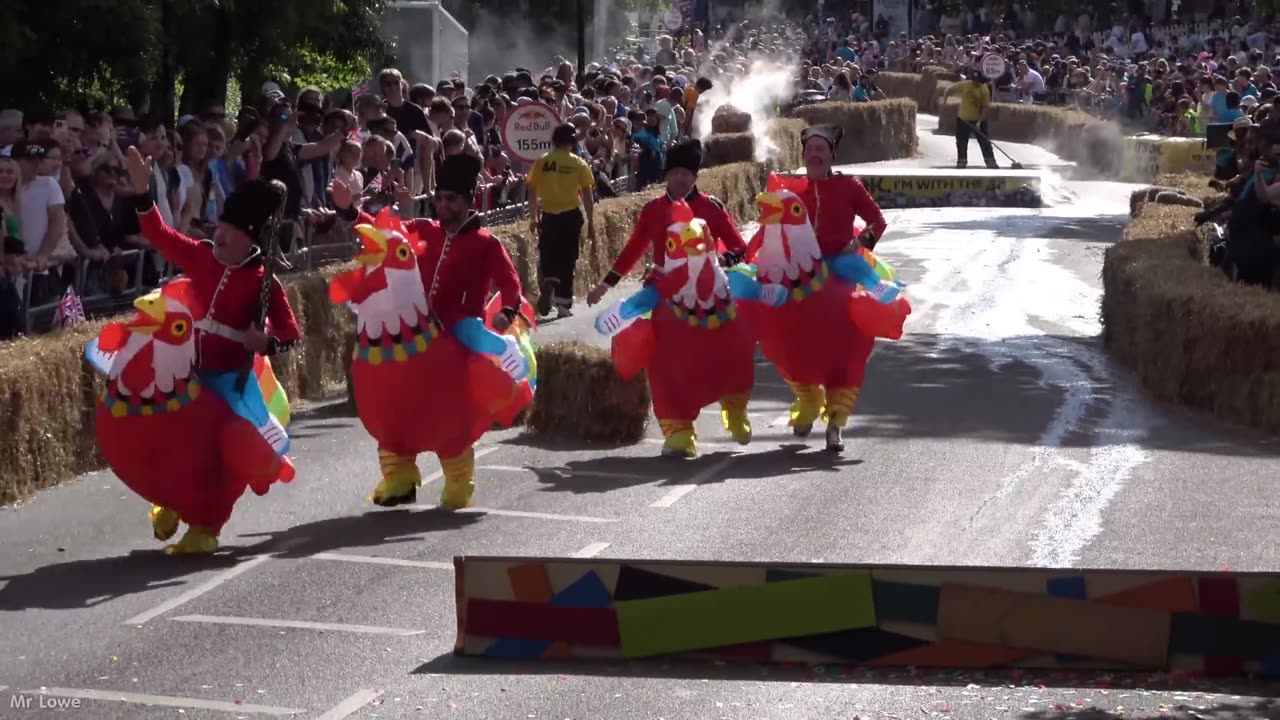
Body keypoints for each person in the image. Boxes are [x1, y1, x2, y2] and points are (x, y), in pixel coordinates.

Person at [121, 146, 301, 552]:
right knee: (163, 435)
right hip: (186, 371)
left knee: (229, 446)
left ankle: (208, 523)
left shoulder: (263, 282)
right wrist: (141, 194)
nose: (219, 233)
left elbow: (292, 332)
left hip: (228, 381)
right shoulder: (202, 258)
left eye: (230, 230)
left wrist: (266, 342)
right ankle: (168, 497)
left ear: (251, 238)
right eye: (220, 223)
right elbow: (158, 235)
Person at [328, 152, 532, 509]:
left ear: (468, 202)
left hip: (457, 321)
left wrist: (509, 311)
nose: (441, 204)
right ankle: (399, 474)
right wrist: (349, 212)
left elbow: (511, 284)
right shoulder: (423, 229)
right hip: (416, 319)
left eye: (450, 199)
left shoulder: (486, 243)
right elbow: (384, 234)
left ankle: (508, 365)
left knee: (469, 340)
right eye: (438, 197)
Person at [587, 139, 746, 305]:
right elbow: (633, 250)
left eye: (685, 174)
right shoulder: (652, 209)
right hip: (664, 290)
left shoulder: (712, 207)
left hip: (705, 292)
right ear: (666, 176)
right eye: (674, 173)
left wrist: (721, 261)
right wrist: (604, 286)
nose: (679, 178)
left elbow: (740, 248)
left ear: (695, 177)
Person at [526, 123, 595, 319]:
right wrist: (591, 220)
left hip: (548, 215)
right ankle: (563, 304)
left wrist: (532, 216)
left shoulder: (542, 161)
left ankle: (549, 279)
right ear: (572, 142)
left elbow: (531, 188)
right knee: (568, 258)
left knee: (548, 252)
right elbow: (588, 194)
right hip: (571, 215)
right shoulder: (578, 163)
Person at [950, 68, 999, 169]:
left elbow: (985, 108)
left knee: (984, 141)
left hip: (978, 119)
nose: (976, 82)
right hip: (963, 119)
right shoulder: (965, 85)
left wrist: (980, 121)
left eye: (978, 80)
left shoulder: (984, 89)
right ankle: (962, 161)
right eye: (975, 80)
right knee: (961, 141)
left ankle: (990, 162)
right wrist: (946, 100)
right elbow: (949, 89)